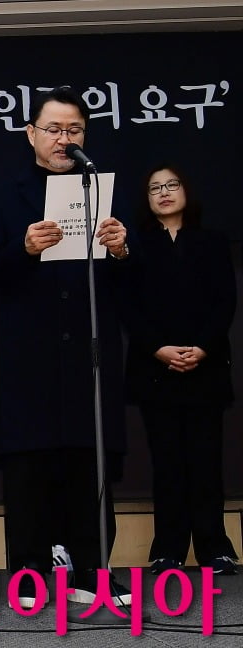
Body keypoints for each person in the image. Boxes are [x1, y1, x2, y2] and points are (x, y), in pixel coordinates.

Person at [0, 87, 132, 608]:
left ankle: (93, 568)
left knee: (91, 463)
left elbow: (134, 282)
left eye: (75, 130)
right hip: (32, 353)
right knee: (30, 466)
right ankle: (29, 573)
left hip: (90, 351)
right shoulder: (4, 196)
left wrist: (121, 251)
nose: (65, 139)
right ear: (31, 134)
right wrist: (22, 249)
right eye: (55, 130)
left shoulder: (102, 190)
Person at [123, 164, 238, 576]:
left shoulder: (212, 241)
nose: (165, 193)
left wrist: (202, 347)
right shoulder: (135, 245)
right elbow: (129, 307)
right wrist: (159, 348)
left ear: (187, 192)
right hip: (157, 369)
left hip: (204, 368)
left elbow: (225, 301)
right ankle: (167, 549)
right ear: (147, 200)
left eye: (172, 185)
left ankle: (215, 548)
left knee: (206, 461)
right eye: (155, 188)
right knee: (167, 462)